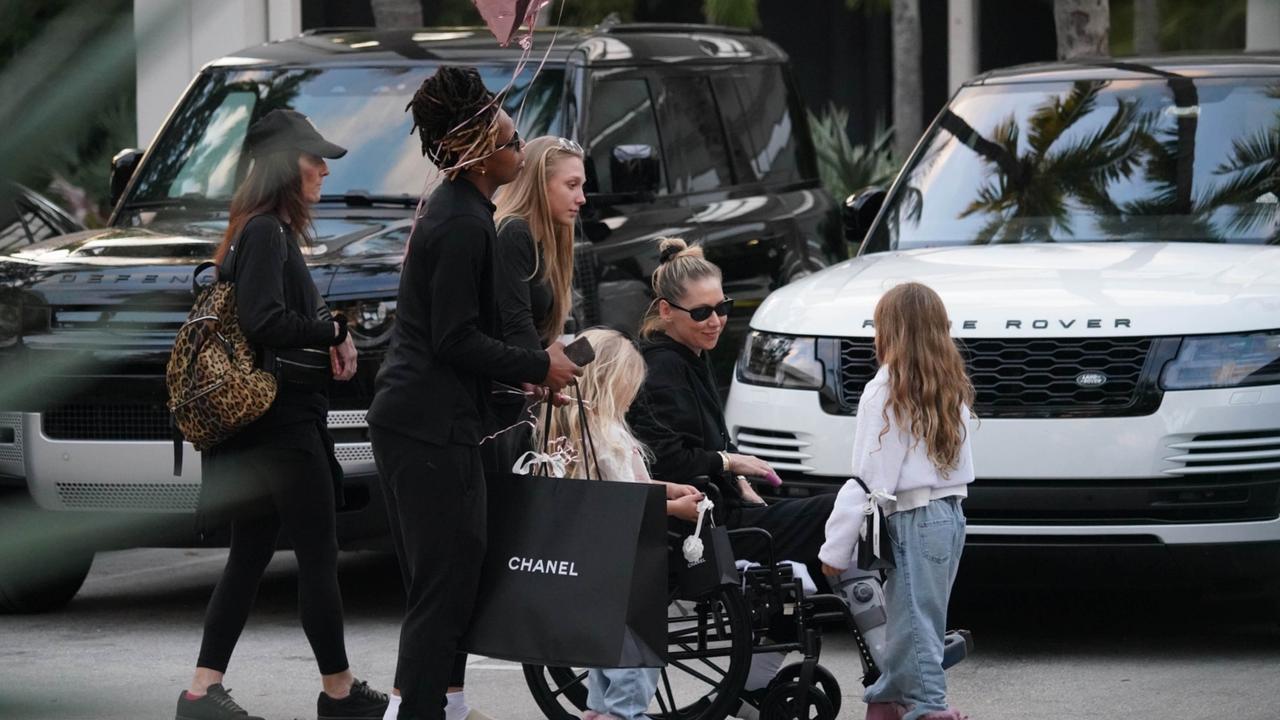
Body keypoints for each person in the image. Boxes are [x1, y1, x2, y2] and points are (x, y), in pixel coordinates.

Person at [367, 66, 581, 720]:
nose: (520, 149)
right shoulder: (461, 224)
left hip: (436, 421)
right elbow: (453, 340)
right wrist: (536, 365)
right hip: (425, 426)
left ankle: (439, 709)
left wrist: (528, 370)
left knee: (454, 582)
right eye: (513, 141)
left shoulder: (466, 213)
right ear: (478, 151)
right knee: (442, 588)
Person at [175, 109, 387, 720]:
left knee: (249, 558)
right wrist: (332, 329)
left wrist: (329, 335)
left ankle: (199, 693)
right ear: (279, 166)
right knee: (319, 556)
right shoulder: (266, 233)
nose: (323, 168)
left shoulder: (253, 230)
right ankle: (339, 693)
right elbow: (264, 320)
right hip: (282, 429)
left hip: (258, 430)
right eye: (311, 158)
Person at [625, 237, 839, 707]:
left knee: (842, 510)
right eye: (701, 313)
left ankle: (764, 672)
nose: (716, 320)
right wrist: (729, 463)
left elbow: (704, 441)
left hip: (722, 506)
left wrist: (733, 471)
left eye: (722, 306)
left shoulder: (686, 356)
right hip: (699, 520)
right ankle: (890, 656)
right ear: (666, 311)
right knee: (841, 512)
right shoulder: (663, 367)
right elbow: (670, 459)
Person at [818, 282, 974, 720]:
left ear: (889, 331)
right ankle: (888, 698)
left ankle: (927, 707)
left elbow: (868, 479)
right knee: (916, 620)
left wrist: (837, 546)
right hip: (950, 516)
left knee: (914, 623)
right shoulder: (949, 383)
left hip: (912, 518)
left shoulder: (886, 388)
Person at [532, 328, 705, 720]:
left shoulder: (571, 434)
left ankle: (598, 710)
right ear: (613, 383)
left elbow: (624, 490)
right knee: (635, 645)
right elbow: (626, 502)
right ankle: (623, 713)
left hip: (586, 561)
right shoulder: (606, 436)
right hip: (620, 563)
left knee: (604, 642)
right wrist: (676, 510)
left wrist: (669, 488)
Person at [489, 135, 586, 468]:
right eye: (571, 185)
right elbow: (516, 321)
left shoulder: (545, 240)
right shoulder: (514, 232)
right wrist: (542, 371)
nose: (582, 198)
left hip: (513, 397)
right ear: (539, 185)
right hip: (493, 406)